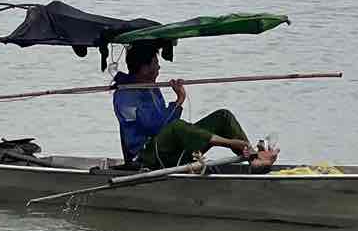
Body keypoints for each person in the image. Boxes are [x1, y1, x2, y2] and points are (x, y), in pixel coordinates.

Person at [111, 42, 278, 170]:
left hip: (168, 149)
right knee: (177, 126)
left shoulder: (151, 88)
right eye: (155, 63)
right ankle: (232, 143)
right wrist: (179, 100)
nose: (159, 67)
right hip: (146, 157)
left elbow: (165, 124)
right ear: (144, 68)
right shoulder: (125, 95)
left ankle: (253, 158)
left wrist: (177, 104)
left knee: (223, 116)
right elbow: (157, 127)